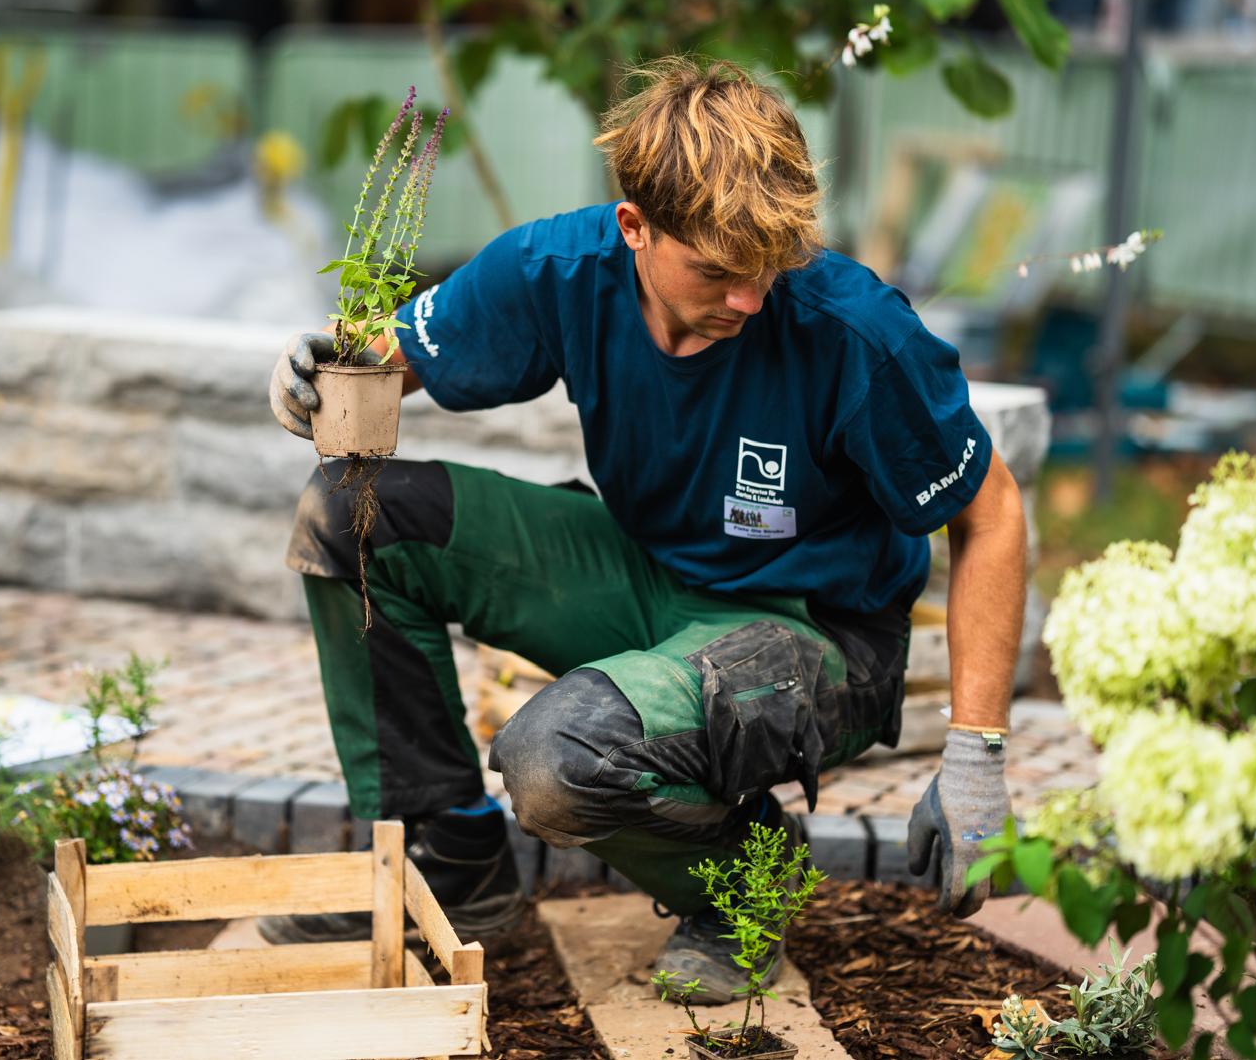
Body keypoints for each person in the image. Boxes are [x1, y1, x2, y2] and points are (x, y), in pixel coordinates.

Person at [265, 57, 1026, 1003]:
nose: (748, 300)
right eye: (716, 270)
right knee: (348, 516)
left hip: (814, 629)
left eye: (767, 269)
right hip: (648, 573)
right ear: (636, 227)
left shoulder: (852, 330)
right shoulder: (559, 271)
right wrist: (319, 370)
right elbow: (388, 357)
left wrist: (976, 754)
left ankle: (744, 884)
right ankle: (450, 860)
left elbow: (991, 510)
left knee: (555, 759)